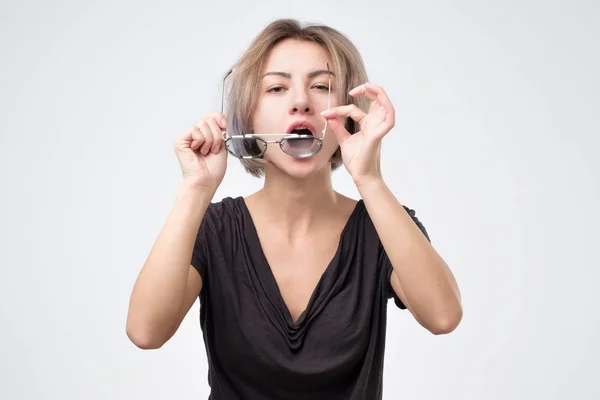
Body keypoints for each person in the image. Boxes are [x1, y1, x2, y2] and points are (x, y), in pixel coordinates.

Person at [126, 18, 462, 400]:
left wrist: (369, 179)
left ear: (349, 113)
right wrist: (195, 188)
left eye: (321, 86)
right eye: (277, 87)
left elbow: (444, 317)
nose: (300, 100)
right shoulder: (215, 230)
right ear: (246, 117)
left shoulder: (382, 227)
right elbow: (146, 332)